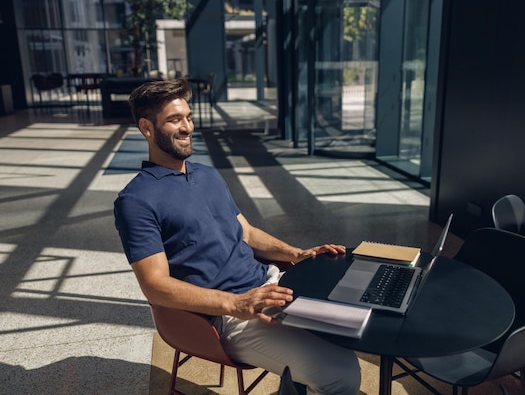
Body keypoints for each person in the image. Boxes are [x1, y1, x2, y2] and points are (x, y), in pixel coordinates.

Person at [113, 79, 361, 395]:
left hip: (272, 285)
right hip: (227, 317)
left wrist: (295, 253)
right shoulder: (136, 200)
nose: (187, 127)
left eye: (188, 117)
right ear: (147, 128)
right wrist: (236, 303)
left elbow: (246, 231)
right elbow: (155, 284)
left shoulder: (206, 175)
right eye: (175, 120)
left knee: (358, 319)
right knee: (343, 374)